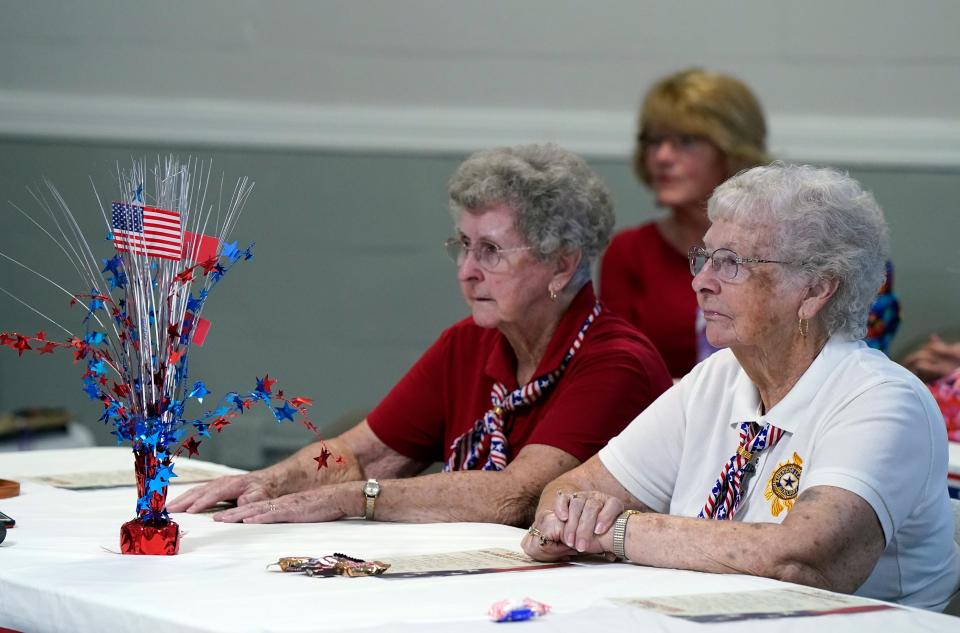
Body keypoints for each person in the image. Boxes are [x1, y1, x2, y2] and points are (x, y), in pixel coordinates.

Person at [523, 164, 960, 610]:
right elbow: (565, 492)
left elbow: (802, 561)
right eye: (704, 257)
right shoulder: (718, 378)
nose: (700, 282)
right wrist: (573, 518)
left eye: (731, 264)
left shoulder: (882, 401)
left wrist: (617, 531)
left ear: (815, 290)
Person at [169, 143, 672, 526]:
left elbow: (515, 496)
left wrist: (355, 498)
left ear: (561, 264)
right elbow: (362, 454)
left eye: (491, 251)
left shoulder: (614, 361)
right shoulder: (467, 345)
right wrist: (267, 483)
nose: (467, 271)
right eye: (463, 246)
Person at [600, 68, 899, 377]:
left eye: (685, 141)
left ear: (731, 147)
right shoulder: (630, 250)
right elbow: (619, 370)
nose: (662, 156)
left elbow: (847, 365)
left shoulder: (803, 246)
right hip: (670, 413)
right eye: (654, 141)